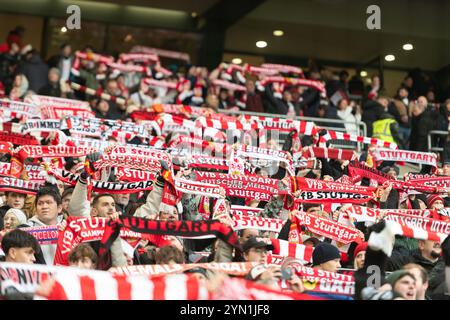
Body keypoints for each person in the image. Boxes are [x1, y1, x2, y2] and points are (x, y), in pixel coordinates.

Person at [24, 187, 64, 264]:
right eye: (40, 203)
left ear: (59, 208)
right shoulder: (25, 229)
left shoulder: (68, 229)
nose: (44, 207)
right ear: (36, 208)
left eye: (48, 202)